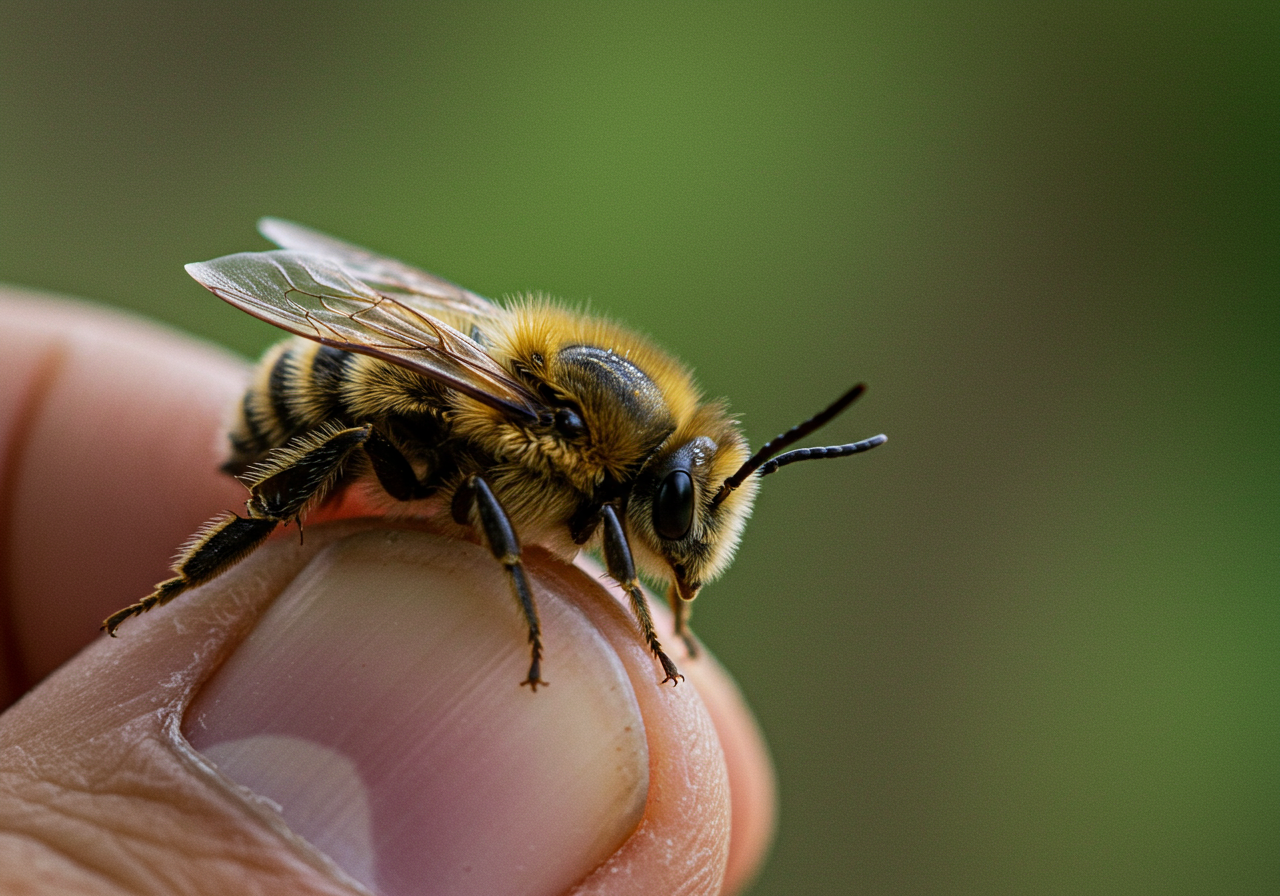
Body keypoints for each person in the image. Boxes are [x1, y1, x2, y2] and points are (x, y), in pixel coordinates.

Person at [0, 288, 775, 895]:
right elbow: (493, 489)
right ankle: (180, 583)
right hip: (342, 396)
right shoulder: (572, 440)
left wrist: (669, 605)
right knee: (362, 442)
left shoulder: (614, 459)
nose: (673, 552)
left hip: (411, 379)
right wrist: (538, 607)